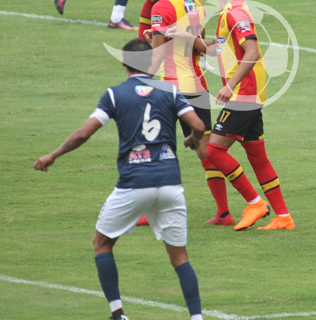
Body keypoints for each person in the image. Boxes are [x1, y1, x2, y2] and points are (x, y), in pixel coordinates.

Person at [33, 38, 206, 320]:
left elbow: (83, 134)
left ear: (124, 63)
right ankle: (197, 317)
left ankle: (118, 314)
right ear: (151, 63)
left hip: (134, 184)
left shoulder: (114, 95)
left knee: (102, 243)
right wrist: (191, 139)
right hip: (170, 182)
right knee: (180, 257)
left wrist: (52, 155)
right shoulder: (170, 91)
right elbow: (199, 125)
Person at [186, 0, 294, 231]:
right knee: (258, 157)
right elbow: (217, 50)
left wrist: (230, 85)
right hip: (248, 92)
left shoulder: (235, 14)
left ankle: (255, 203)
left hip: (244, 92)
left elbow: (253, 52)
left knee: (214, 150)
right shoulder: (229, 13)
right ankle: (283, 217)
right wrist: (182, 37)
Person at [147, 0, 234, 226]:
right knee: (205, 152)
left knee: (154, 148)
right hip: (197, 85)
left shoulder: (160, 7)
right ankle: (223, 212)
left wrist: (140, 78)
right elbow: (198, 46)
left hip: (171, 86)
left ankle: (147, 211)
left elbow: (161, 52)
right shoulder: (196, 5)